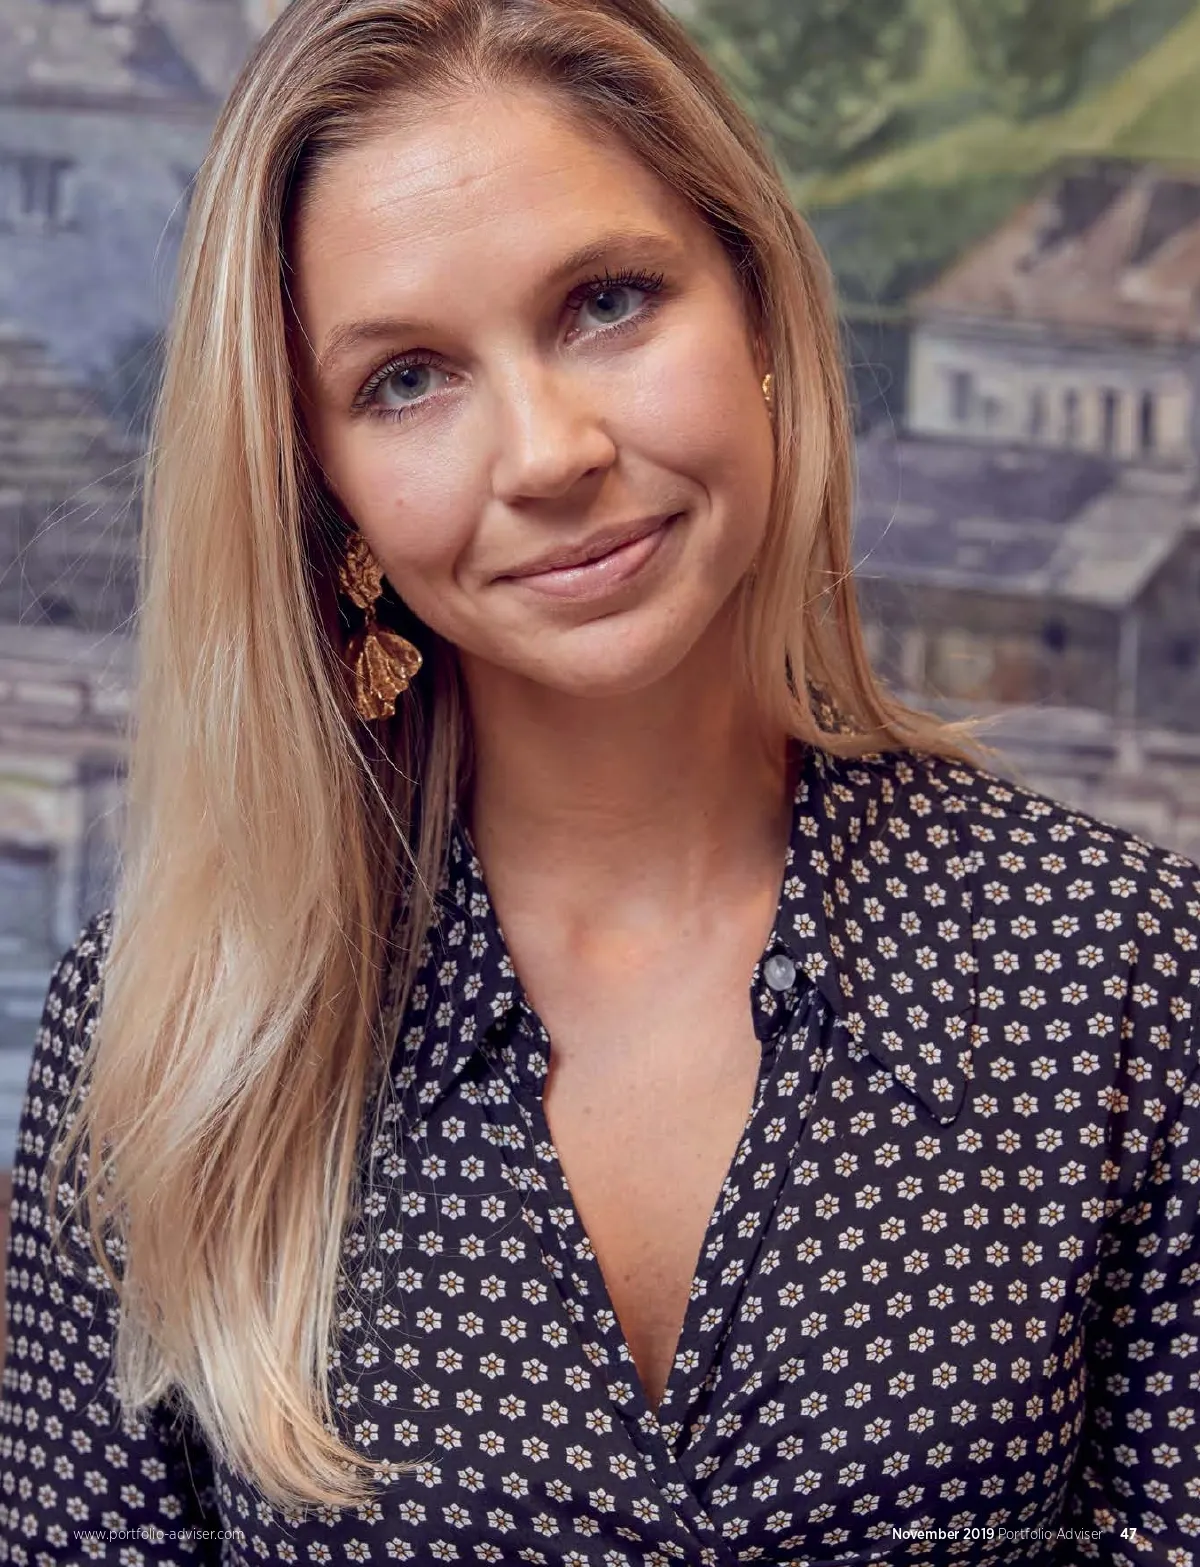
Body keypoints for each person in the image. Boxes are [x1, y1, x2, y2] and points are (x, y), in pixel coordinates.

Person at [2, 0, 1198, 1561]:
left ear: (757, 311)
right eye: (407, 379)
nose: (548, 453)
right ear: (324, 485)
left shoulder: (1123, 976)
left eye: (607, 303)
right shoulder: (165, 1036)